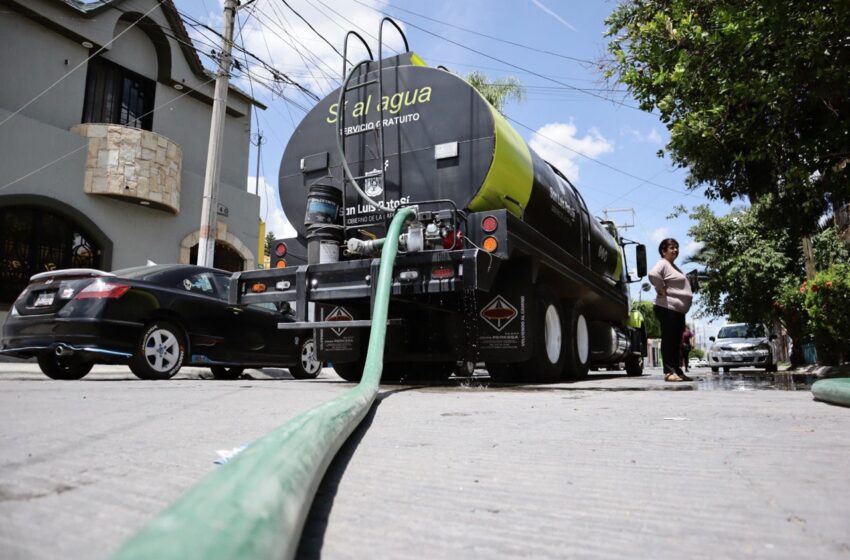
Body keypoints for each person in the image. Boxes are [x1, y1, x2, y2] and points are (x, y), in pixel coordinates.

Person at [648, 238, 694, 382]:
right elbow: (653, 274)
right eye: (671, 248)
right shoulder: (663, 263)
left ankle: (677, 370)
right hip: (667, 307)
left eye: (676, 247)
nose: (675, 250)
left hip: (677, 310)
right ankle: (669, 371)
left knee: (676, 342)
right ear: (663, 251)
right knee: (669, 340)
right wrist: (661, 288)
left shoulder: (673, 266)